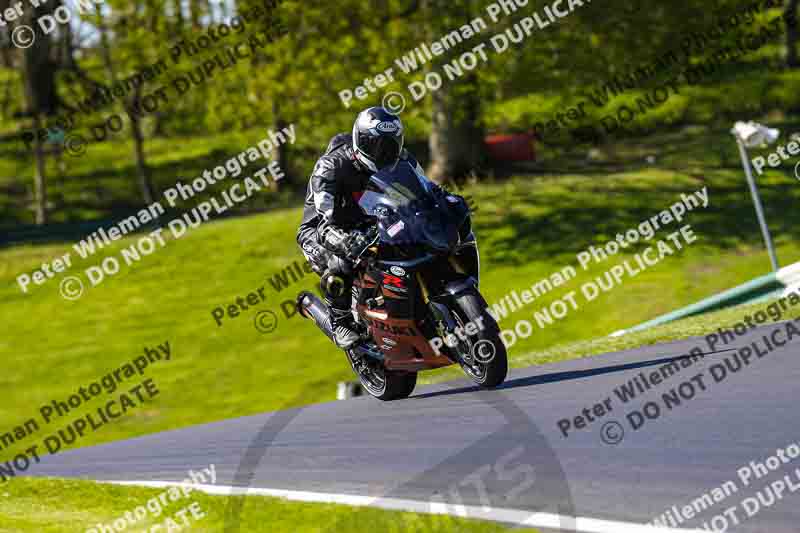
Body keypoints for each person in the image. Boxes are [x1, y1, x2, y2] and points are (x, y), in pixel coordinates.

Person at [296, 106, 479, 350]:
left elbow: (425, 188)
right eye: (377, 145)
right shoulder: (330, 167)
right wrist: (343, 238)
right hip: (323, 228)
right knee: (338, 261)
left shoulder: (402, 159)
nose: (385, 152)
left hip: (371, 219)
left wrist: (446, 200)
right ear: (360, 140)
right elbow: (324, 214)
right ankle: (341, 321)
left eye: (391, 144)